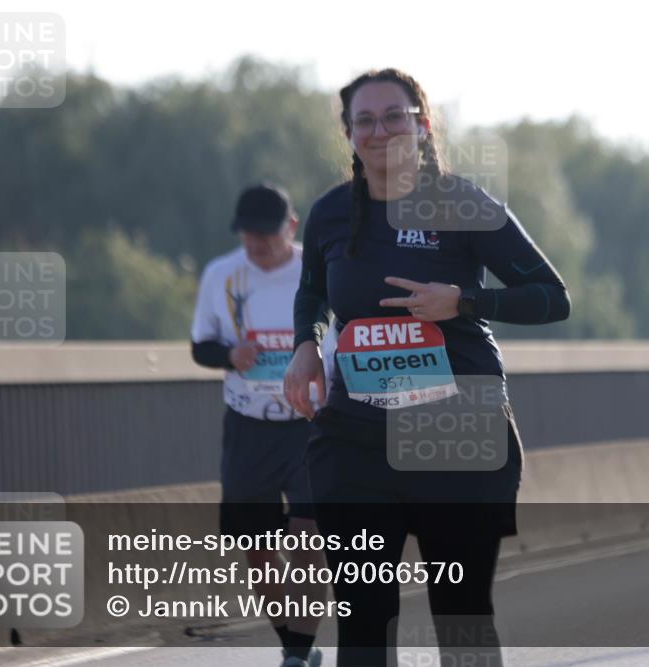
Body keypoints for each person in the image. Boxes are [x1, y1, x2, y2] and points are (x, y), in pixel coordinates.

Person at [284, 69, 571, 666]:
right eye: (365, 120)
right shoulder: (331, 214)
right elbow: (313, 291)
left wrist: (463, 301)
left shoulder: (464, 203)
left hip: (457, 431)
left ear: (422, 123)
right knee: (362, 620)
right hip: (356, 438)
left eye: (395, 116)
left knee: (461, 615)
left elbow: (551, 296)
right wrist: (307, 344)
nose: (380, 130)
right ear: (348, 132)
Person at [190, 183, 334, 667]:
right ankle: (293, 642)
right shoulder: (221, 275)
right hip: (248, 424)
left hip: (310, 422)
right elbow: (200, 346)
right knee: (256, 548)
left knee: (308, 534)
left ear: (290, 229)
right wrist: (231, 353)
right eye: (250, 239)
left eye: (267, 239)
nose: (258, 248)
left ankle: (298, 652)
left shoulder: (316, 273)